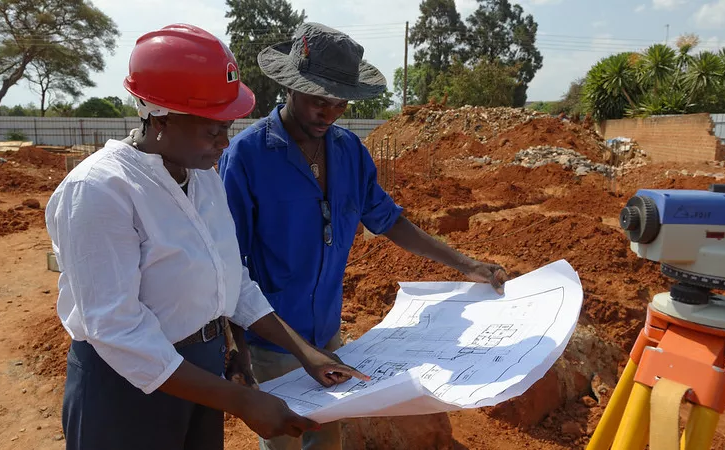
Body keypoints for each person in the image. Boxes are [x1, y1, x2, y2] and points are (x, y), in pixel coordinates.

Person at [44, 23, 368, 450]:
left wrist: (305, 352)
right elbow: (117, 331)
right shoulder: (101, 190)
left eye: (227, 124)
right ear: (159, 114)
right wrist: (242, 402)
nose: (224, 139)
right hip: (127, 389)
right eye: (211, 126)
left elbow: (234, 284)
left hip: (199, 373)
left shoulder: (202, 178)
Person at [218, 22, 510, 450]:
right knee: (284, 441)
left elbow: (389, 220)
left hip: (329, 336)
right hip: (272, 343)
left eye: (340, 103)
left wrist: (467, 265)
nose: (330, 113)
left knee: (327, 437)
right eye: (319, 101)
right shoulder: (247, 158)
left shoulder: (349, 152)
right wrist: (237, 351)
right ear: (291, 88)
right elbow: (230, 266)